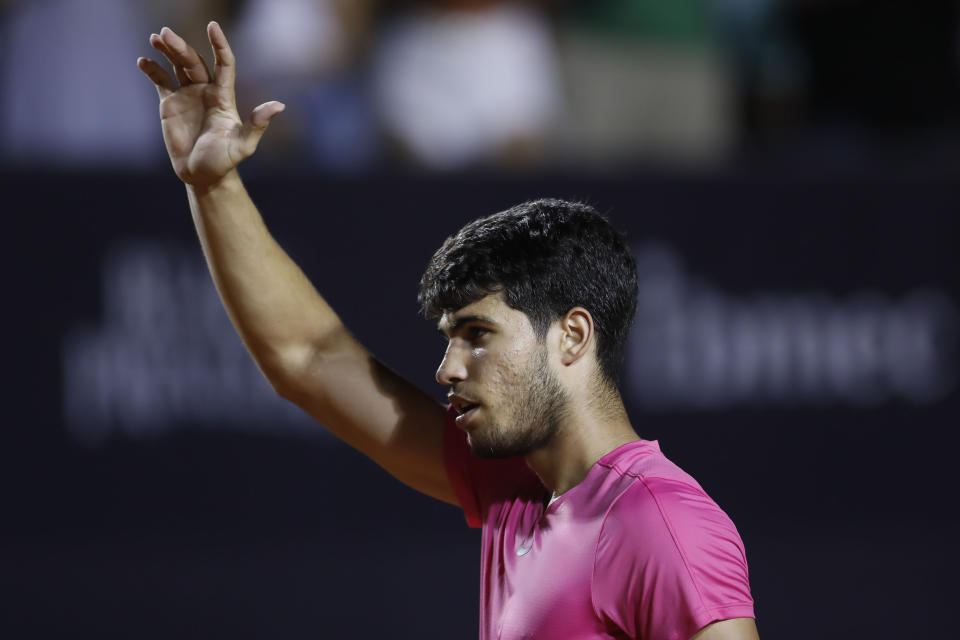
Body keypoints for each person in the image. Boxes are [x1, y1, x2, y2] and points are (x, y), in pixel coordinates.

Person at [137, 22, 759, 640]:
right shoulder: (517, 489)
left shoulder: (661, 523)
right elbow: (310, 361)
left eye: (478, 335)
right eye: (450, 339)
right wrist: (214, 186)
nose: (448, 369)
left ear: (571, 336)